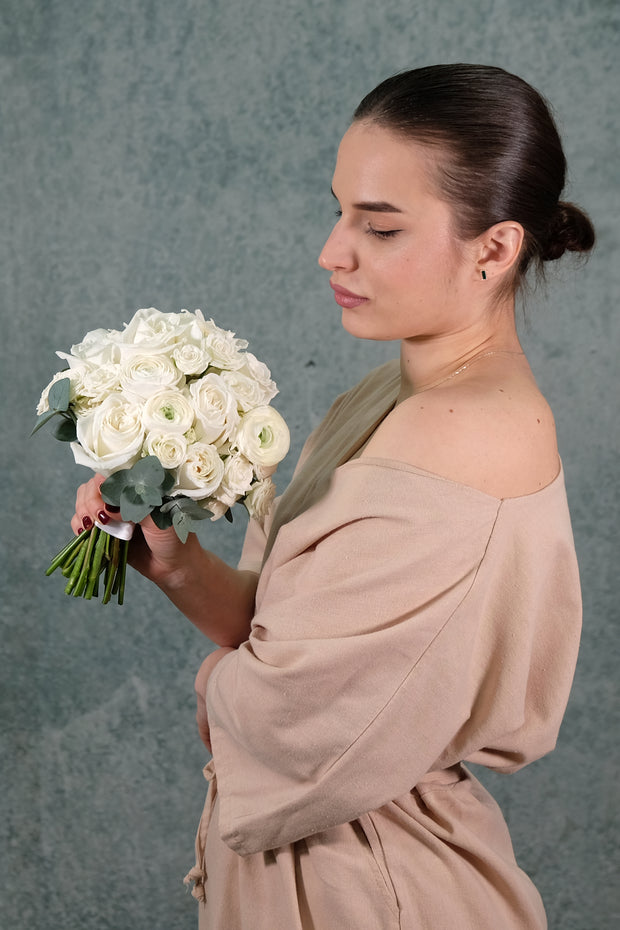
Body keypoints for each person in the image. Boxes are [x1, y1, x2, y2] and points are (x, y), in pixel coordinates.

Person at [73, 64, 595, 929]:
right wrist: (175, 563)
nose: (332, 250)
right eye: (339, 208)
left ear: (494, 249)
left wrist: (215, 683)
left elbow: (293, 720)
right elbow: (293, 637)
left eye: (380, 227)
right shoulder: (391, 400)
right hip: (328, 877)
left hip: (375, 888)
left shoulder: (462, 434)